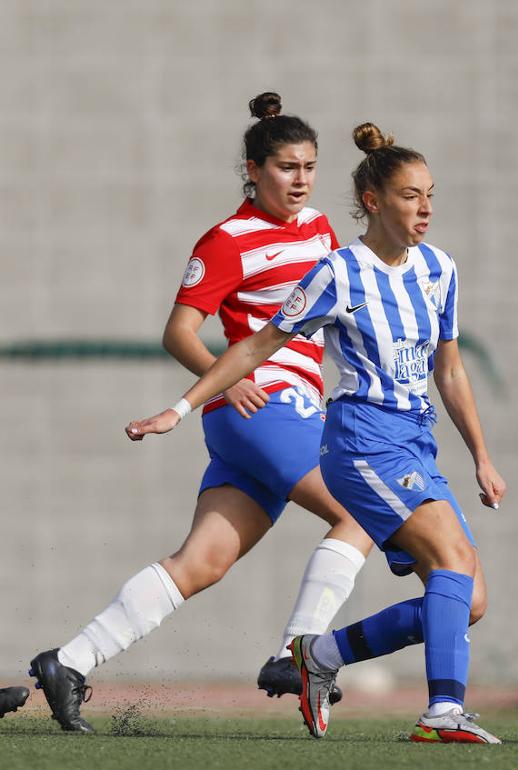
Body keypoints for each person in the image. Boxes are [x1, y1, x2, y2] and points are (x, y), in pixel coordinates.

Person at [126, 122, 505, 744]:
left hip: (416, 439)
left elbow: (451, 370)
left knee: (470, 599)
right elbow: (258, 345)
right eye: (411, 196)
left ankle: (318, 655)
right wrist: (182, 407)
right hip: (363, 438)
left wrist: (482, 458)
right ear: (374, 202)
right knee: (453, 562)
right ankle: (442, 712)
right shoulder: (339, 271)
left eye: (430, 195)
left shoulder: (440, 269)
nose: (426, 209)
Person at [29, 93, 374, 733]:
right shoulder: (226, 241)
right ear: (253, 170)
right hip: (264, 405)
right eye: (286, 167)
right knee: (360, 511)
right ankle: (295, 656)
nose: (300, 180)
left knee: (201, 563)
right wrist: (226, 381)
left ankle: (70, 661)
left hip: (276, 415)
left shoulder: (319, 227)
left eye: (309, 167)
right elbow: (179, 332)